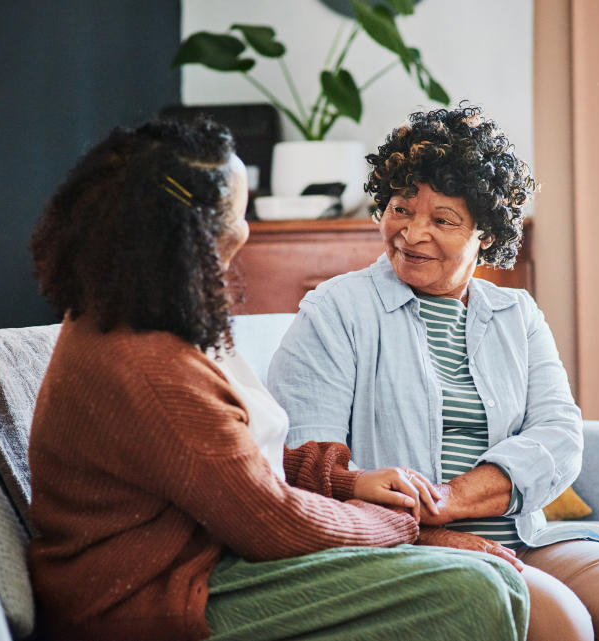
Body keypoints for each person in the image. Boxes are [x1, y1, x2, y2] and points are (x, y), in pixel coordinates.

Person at [26, 118, 529, 641]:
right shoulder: (150, 366)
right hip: (150, 597)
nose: (246, 232)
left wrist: (347, 482)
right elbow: (272, 521)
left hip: (202, 563)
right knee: (475, 593)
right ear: (197, 233)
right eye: (240, 213)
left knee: (486, 583)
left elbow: (226, 466)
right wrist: (406, 526)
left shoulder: (136, 316)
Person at [268, 104, 599, 641]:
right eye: (400, 209)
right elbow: (304, 464)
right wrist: (430, 530)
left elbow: (558, 435)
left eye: (443, 220)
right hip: (396, 539)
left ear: (484, 234)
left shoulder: (517, 315)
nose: (413, 234)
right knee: (562, 623)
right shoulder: (335, 310)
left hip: (520, 532)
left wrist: (452, 500)